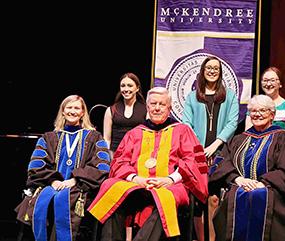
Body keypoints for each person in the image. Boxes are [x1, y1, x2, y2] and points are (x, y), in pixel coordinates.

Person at [88, 87, 209, 240]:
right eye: (153, 104)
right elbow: (120, 161)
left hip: (170, 185)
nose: (157, 108)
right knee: (110, 187)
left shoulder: (182, 131)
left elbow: (192, 161)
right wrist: (135, 178)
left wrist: (169, 179)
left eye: (162, 104)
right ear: (147, 107)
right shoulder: (134, 133)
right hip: (137, 184)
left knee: (165, 198)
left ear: (169, 108)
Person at [209, 95, 285, 241]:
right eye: (253, 111)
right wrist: (237, 179)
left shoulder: (283, 139)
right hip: (238, 188)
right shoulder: (238, 140)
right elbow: (221, 165)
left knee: (257, 195)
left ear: (272, 114)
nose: (257, 114)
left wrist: (264, 183)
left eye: (263, 111)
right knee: (237, 195)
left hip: (273, 193)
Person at [15, 95, 111, 241]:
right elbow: (35, 165)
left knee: (63, 200)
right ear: (63, 112)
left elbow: (101, 165)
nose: (73, 111)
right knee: (46, 200)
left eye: (77, 108)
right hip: (50, 185)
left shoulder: (94, 137)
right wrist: (53, 181)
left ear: (83, 112)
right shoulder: (49, 137)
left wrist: (74, 180)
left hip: (79, 187)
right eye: (69, 107)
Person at [182, 56, 239, 240]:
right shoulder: (192, 97)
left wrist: (215, 145)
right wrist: (200, 150)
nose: (212, 71)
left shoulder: (229, 96)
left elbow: (232, 123)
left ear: (220, 72)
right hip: (197, 155)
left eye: (216, 68)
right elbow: (187, 125)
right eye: (209, 68)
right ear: (203, 71)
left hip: (220, 154)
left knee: (214, 199)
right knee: (199, 201)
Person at [245, 67, 285, 140]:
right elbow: (248, 133)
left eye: (273, 80)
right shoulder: (254, 105)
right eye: (265, 80)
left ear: (280, 84)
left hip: (281, 147)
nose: (268, 84)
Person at [103, 73, 147, 153]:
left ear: (137, 88)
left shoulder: (146, 110)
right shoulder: (111, 110)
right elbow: (107, 139)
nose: (126, 89)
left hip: (138, 154)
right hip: (116, 155)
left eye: (130, 86)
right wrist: (106, 160)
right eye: (123, 86)